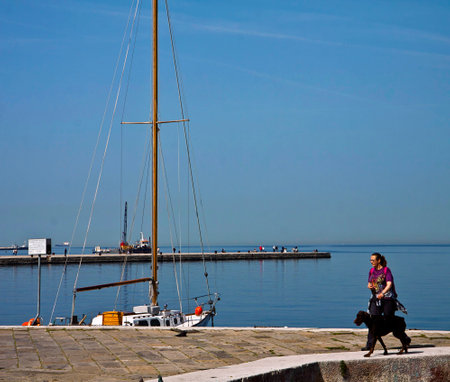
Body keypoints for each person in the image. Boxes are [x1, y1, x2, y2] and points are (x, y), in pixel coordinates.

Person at [362, 252, 397, 350]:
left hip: (387, 299)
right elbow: (369, 283)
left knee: (389, 319)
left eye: (373, 260)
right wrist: (369, 286)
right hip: (375, 299)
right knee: (372, 321)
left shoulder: (386, 270)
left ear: (379, 260)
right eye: (370, 260)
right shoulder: (372, 271)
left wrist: (383, 293)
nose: (371, 262)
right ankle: (369, 345)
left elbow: (389, 284)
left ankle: (404, 338)